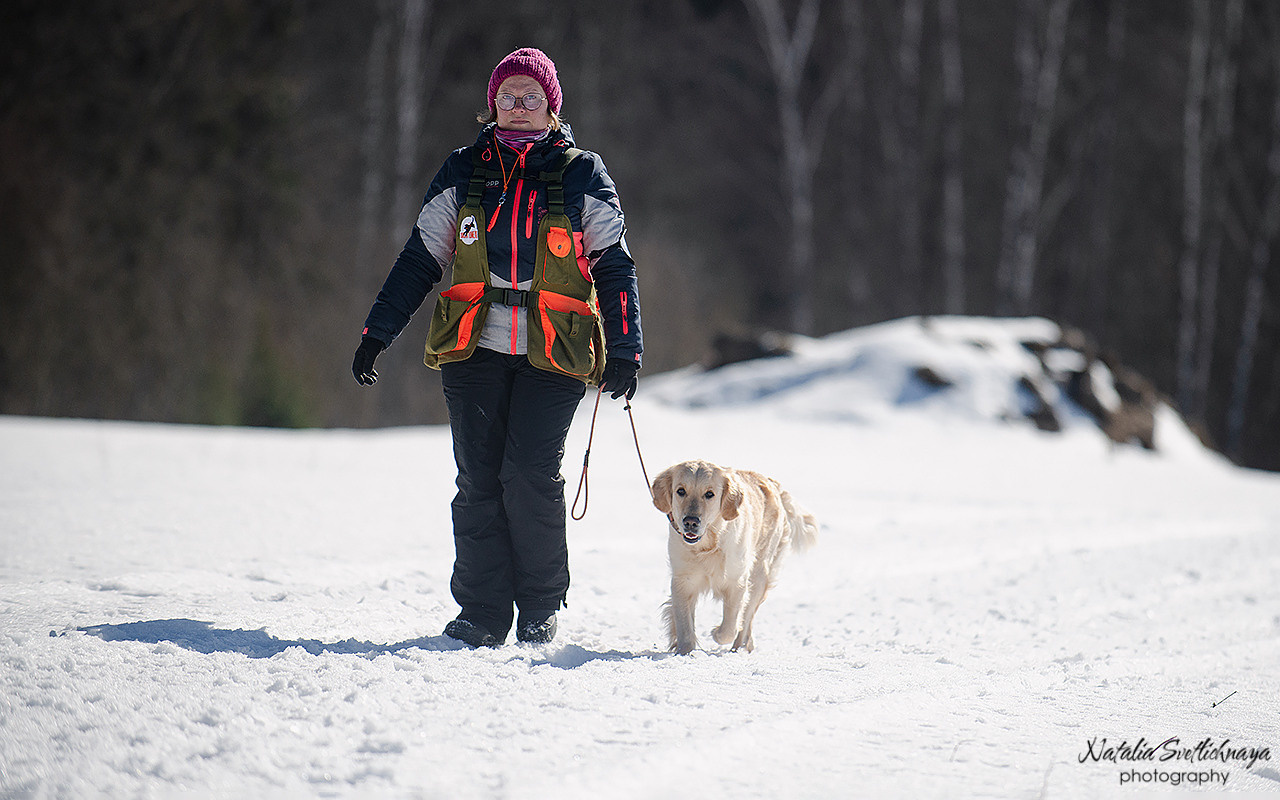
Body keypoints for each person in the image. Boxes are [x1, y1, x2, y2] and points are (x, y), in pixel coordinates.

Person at [352, 48, 643, 648]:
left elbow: (614, 265)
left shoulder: (582, 173)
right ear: (491, 105)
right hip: (473, 346)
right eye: (507, 96)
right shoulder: (463, 169)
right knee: (479, 478)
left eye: (530, 97)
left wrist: (625, 349)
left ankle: (539, 605)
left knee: (530, 472)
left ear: (551, 107)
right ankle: (482, 613)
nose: (517, 106)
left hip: (554, 351)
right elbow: (421, 257)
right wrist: (377, 332)